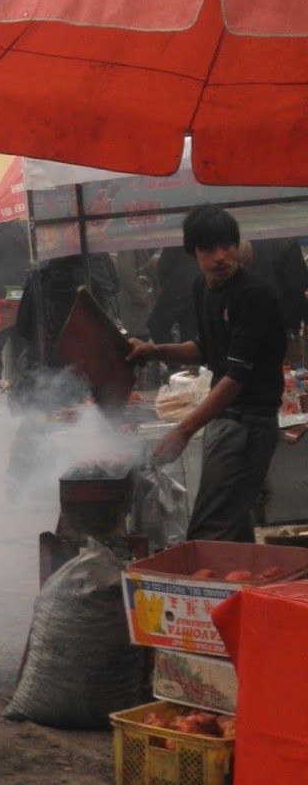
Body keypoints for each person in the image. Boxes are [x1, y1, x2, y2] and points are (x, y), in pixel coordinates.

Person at [128, 205, 285, 543]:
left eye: (227, 246)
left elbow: (236, 376)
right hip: (224, 423)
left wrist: (182, 431)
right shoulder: (203, 289)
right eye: (209, 249)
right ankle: (246, 591)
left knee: (208, 530)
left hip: (249, 423)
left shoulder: (254, 295)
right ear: (193, 253)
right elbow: (207, 348)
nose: (220, 257)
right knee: (233, 525)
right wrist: (155, 351)